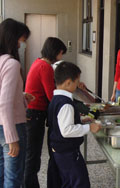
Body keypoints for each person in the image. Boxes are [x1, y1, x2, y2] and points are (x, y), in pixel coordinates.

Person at [48, 61, 101, 188]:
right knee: (78, 182)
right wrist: (89, 127)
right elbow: (66, 130)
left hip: (60, 151)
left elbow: (60, 123)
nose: (78, 85)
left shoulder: (56, 99)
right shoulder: (65, 103)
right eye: (77, 81)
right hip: (67, 152)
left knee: (67, 181)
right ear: (68, 82)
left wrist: (81, 121)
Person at [24, 37, 67, 188]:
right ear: (56, 52)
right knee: (32, 157)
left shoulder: (38, 62)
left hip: (32, 112)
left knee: (32, 156)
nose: (61, 57)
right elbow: (51, 95)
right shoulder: (45, 67)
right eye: (61, 53)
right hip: (35, 113)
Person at [0, 18, 33, 188]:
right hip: (12, 126)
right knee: (13, 178)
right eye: (23, 39)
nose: (23, 44)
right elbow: (4, 104)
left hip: (1, 126)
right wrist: (12, 138)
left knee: (1, 176)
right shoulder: (11, 64)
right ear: (14, 38)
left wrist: (20, 95)